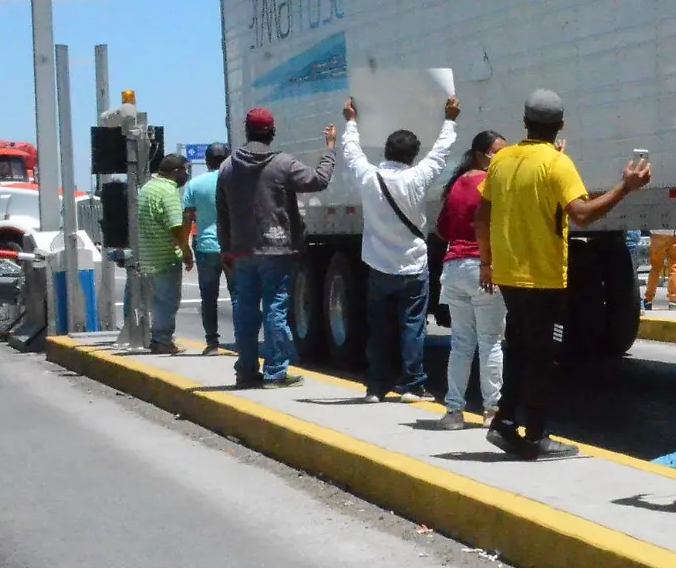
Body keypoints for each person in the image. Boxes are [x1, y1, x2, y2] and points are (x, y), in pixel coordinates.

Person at [477, 90, 651, 459]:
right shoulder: (558, 165)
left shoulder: (502, 161)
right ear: (560, 125)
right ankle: (536, 435)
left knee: (520, 350)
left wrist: (486, 262)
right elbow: (582, 214)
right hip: (543, 278)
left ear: (524, 122)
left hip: (509, 274)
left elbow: (482, 215)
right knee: (542, 357)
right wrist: (625, 187)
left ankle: (505, 421)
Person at [339, 95, 460, 402]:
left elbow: (351, 152)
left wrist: (351, 121)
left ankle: (376, 387)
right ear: (412, 156)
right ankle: (413, 384)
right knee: (413, 326)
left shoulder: (369, 177)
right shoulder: (417, 178)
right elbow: (441, 153)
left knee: (378, 330)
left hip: (378, 267)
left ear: (387, 151)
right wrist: (450, 119)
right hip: (412, 266)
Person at [217, 107, 337, 389]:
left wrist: (226, 250)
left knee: (245, 310)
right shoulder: (282, 164)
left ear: (247, 132)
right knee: (275, 308)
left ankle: (246, 371)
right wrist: (330, 149)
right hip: (277, 248)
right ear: (272, 132)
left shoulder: (227, 167)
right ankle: (275, 371)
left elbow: (222, 213)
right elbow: (318, 180)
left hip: (242, 251)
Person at [435, 129, 507, 429]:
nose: (503, 158)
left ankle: (454, 411)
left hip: (454, 268)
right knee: (490, 342)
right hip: (483, 268)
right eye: (499, 153)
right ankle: (491, 411)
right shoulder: (492, 184)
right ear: (482, 154)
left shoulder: (457, 185)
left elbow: (441, 229)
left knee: (461, 343)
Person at [136, 153, 195, 355]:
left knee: (158, 301)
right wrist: (186, 251)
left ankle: (158, 338)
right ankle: (162, 341)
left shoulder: (147, 188)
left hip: (149, 255)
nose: (185, 175)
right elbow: (175, 226)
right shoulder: (168, 192)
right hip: (165, 256)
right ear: (176, 171)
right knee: (168, 301)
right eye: (185, 171)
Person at [182, 143, 234, 355]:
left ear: (206, 161)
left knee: (208, 297)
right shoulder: (236, 183)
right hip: (232, 246)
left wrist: (185, 247)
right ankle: (243, 339)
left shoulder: (195, 184)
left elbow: (187, 218)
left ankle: (212, 342)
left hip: (205, 246)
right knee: (239, 295)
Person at [642, 226, 676, 310]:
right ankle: (672, 301)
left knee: (655, 269)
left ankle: (648, 300)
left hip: (657, 234)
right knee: (674, 267)